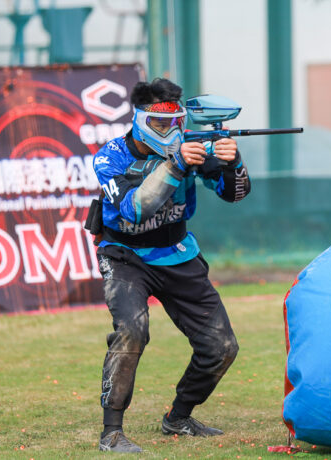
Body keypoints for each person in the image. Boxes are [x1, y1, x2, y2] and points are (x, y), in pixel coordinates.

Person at [89, 78, 250, 453]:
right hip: (125, 255)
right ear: (140, 120)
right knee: (132, 331)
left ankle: (178, 418)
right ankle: (111, 432)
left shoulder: (189, 147)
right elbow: (135, 209)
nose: (170, 131)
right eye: (161, 124)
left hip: (176, 252)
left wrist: (232, 162)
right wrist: (176, 164)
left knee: (221, 346)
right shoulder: (110, 158)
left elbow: (235, 194)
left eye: (176, 123)